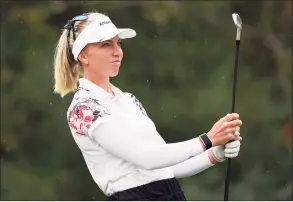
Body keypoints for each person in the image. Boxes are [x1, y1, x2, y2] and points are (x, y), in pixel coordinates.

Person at [53, 11, 243, 201]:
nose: (117, 52)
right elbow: (146, 159)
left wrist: (215, 153)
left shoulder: (128, 100)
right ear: (84, 56)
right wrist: (208, 139)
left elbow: (167, 167)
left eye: (118, 43)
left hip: (172, 194)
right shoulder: (83, 107)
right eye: (105, 45)